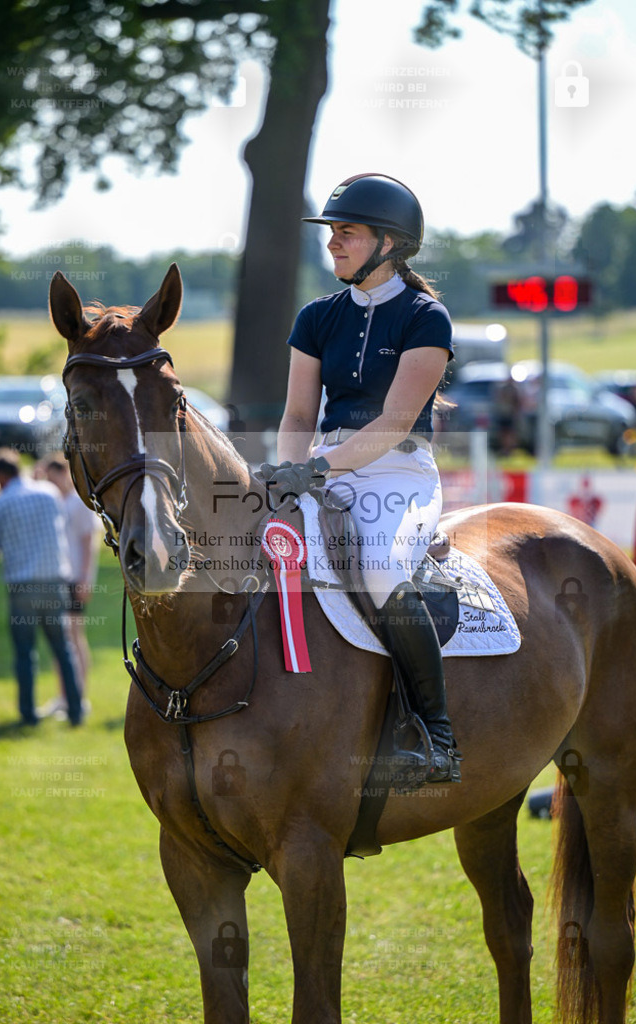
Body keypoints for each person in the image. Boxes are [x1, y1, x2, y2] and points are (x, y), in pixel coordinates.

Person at [262, 173, 461, 788]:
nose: (333, 243)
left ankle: (436, 734)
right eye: (332, 233)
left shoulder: (426, 317)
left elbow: (395, 421)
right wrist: (289, 473)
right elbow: (299, 415)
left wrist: (317, 468)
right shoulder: (316, 317)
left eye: (346, 232)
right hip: (320, 470)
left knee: (378, 566)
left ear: (388, 243)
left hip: (398, 471)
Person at [0, 448, 83, 727]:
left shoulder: (2, 502)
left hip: (22, 586)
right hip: (54, 583)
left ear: (1, 475)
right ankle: (75, 711)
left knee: (25, 652)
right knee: (63, 649)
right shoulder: (49, 493)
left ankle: (28, 715)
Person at [36, 454, 99, 718]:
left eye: (54, 478)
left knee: (74, 637)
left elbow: (89, 544)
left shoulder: (78, 503)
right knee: (61, 639)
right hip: (59, 577)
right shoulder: (54, 502)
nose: (51, 484)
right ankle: (64, 696)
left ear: (65, 474)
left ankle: (79, 697)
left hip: (75, 579)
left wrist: (85, 579)